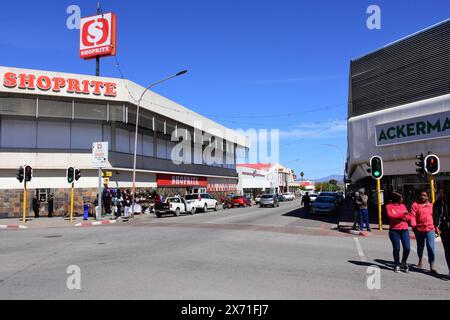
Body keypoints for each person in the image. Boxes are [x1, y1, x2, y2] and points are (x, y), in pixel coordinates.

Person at [410, 191, 437, 273]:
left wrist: (436, 227)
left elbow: (435, 217)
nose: (422, 197)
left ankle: (432, 265)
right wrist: (414, 226)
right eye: (421, 195)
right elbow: (412, 216)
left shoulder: (431, 205)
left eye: (424, 195)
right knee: (420, 246)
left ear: (428, 197)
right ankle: (420, 259)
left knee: (430, 246)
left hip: (430, 229)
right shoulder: (415, 205)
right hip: (419, 229)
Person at [386, 192, 411, 273]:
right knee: (397, 248)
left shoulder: (403, 206)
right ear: (396, 199)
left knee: (407, 248)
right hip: (394, 230)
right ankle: (397, 264)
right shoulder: (389, 206)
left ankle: (403, 262)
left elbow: (408, 217)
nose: (402, 199)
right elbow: (391, 216)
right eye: (401, 198)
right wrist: (403, 214)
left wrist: (399, 217)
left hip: (404, 229)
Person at [434, 189, 450, 279]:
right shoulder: (437, 203)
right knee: (447, 250)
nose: (440, 194)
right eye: (439, 193)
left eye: (442, 192)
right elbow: (435, 215)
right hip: (444, 229)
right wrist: (436, 226)